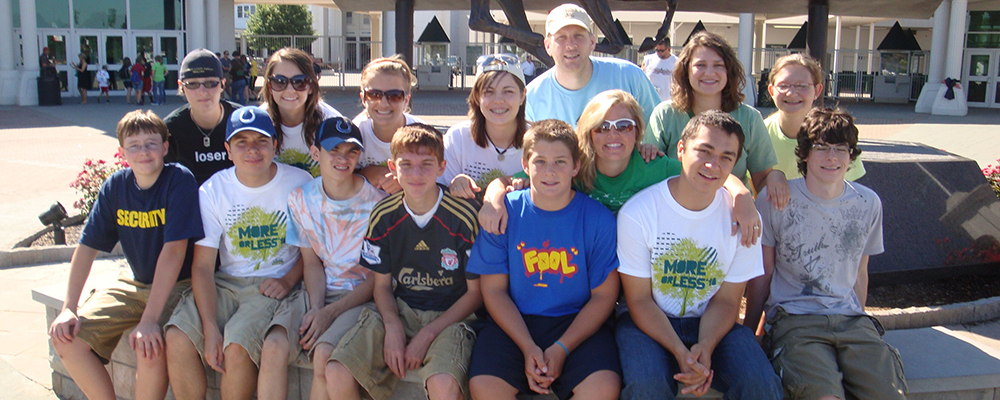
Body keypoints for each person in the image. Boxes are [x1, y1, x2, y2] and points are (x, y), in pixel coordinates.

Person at [615, 111, 783, 400]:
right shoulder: (639, 212)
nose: (712, 164)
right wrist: (681, 352)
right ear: (681, 149)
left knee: (762, 386)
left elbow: (729, 300)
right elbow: (639, 300)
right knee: (646, 388)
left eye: (726, 157)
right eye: (703, 151)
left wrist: (705, 345)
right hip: (649, 322)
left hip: (715, 323)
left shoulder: (743, 219)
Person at [744, 108, 906, 400]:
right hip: (794, 320)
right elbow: (763, 272)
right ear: (805, 153)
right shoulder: (775, 199)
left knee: (888, 394)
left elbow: (859, 271)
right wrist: (750, 331)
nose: (832, 157)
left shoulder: (868, 203)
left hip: (850, 321)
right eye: (821, 148)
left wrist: (861, 318)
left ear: (851, 155)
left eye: (840, 149)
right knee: (823, 395)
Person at [48, 109, 203, 400]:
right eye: (134, 145)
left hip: (179, 284)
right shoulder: (116, 187)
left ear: (165, 147)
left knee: (149, 345)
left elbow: (174, 252)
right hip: (133, 283)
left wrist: (150, 319)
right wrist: (69, 306)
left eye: (151, 143)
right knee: (67, 339)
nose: (143, 152)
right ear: (122, 152)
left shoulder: (178, 181)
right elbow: (86, 248)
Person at [479, 90, 762, 247]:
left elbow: (709, 173)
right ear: (588, 133)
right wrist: (493, 200)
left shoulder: (655, 165)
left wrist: (742, 197)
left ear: (638, 131)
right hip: (585, 270)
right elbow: (509, 180)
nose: (613, 136)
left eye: (624, 126)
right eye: (602, 127)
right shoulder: (572, 167)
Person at [467, 119, 622, 400]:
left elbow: (604, 297)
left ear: (576, 166)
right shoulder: (504, 213)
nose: (550, 172)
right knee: (484, 387)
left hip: (576, 322)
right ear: (525, 165)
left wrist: (561, 348)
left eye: (560, 162)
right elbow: (493, 290)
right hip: (515, 322)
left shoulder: (597, 218)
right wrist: (527, 346)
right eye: (540, 161)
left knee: (603, 389)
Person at [164, 106, 312, 400]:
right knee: (177, 337)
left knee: (238, 347)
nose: (252, 150)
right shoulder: (213, 191)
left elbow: (313, 252)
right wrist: (209, 329)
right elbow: (204, 266)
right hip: (226, 282)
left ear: (275, 144)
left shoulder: (299, 183)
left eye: (260, 141)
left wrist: (287, 281)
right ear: (228, 150)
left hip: (271, 285)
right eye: (241, 142)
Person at [325, 124, 482, 400]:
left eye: (426, 164)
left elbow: (475, 294)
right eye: (406, 164)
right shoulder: (384, 214)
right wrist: (393, 325)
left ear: (442, 166)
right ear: (392, 167)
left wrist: (428, 334)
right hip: (401, 308)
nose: (416, 174)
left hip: (451, 315)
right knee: (338, 371)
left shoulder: (463, 216)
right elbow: (382, 285)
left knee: (444, 384)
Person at [257, 117, 387, 400]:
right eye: (333, 149)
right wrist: (317, 308)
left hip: (360, 296)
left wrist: (329, 313)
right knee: (274, 346)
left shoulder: (378, 204)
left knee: (324, 355)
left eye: (351, 151)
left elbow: (379, 278)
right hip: (317, 290)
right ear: (315, 153)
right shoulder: (300, 199)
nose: (343, 158)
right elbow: (311, 261)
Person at [646, 31, 789, 210]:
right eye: (701, 65)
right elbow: (650, 176)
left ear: (729, 71)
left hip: (730, 218)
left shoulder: (750, 118)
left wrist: (776, 177)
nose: (709, 73)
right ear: (686, 70)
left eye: (718, 65)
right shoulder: (665, 115)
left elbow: (762, 181)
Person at [525, 3, 659, 128]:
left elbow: (661, 131)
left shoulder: (629, 77)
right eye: (561, 37)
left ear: (592, 42)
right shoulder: (531, 98)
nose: (571, 45)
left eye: (578, 36)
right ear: (547, 46)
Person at [440, 54, 529, 199]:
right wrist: (455, 184)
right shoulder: (458, 138)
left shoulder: (538, 142)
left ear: (522, 96)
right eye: (489, 92)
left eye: (508, 92)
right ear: (476, 96)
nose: (499, 100)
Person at [765, 53, 865, 181]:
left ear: (817, 91)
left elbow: (849, 189)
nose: (791, 93)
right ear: (772, 91)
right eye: (783, 86)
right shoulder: (760, 133)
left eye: (802, 86)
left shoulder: (835, 132)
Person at [260, 47, 344, 177]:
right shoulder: (258, 122)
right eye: (279, 82)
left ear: (311, 86)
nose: (289, 90)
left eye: (299, 82)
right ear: (270, 87)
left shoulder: (332, 123)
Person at [165, 49, 240, 186]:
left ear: (222, 84)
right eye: (192, 84)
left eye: (210, 83)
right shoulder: (170, 130)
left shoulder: (241, 121)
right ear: (181, 87)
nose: (202, 92)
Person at [353, 55, 425, 194]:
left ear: (406, 100)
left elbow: (436, 182)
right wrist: (371, 173)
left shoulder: (423, 134)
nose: (384, 103)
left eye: (394, 95)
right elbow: (340, 178)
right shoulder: (354, 133)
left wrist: (406, 181)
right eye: (374, 94)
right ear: (363, 98)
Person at [642, 36, 677, 103]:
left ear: (668, 49)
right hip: (650, 100)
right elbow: (642, 79)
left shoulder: (676, 62)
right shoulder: (648, 60)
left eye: (661, 51)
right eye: (657, 50)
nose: (658, 53)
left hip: (668, 100)